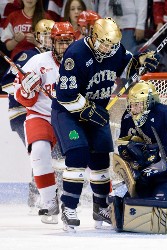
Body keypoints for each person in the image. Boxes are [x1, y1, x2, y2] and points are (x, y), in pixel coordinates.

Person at [51, 17, 160, 231]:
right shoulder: (76, 54)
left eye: (112, 45)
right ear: (93, 37)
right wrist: (88, 110)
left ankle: (100, 207)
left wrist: (142, 63)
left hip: (97, 112)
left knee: (101, 159)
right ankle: (69, 207)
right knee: (78, 154)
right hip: (69, 113)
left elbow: (130, 68)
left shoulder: (115, 50)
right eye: (104, 44)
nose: (108, 49)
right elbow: (65, 95)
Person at [13, 21, 76, 224]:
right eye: (60, 42)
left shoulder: (82, 61)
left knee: (88, 156)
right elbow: (20, 96)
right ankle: (49, 201)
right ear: (53, 43)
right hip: (41, 116)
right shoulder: (37, 61)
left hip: (70, 118)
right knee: (39, 152)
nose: (64, 47)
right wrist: (26, 90)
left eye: (68, 42)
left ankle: (100, 202)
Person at [1, 19, 55, 213]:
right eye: (45, 35)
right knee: (42, 150)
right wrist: (25, 85)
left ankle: (45, 194)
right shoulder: (28, 56)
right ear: (37, 38)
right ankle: (39, 197)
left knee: (49, 152)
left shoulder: (55, 59)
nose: (49, 39)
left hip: (44, 113)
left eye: (52, 35)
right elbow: (6, 84)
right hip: (22, 113)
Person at [115, 80, 167, 200]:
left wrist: (151, 159)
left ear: (150, 101)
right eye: (131, 105)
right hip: (151, 178)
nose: (133, 109)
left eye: (138, 104)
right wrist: (134, 166)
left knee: (157, 207)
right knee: (127, 207)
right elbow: (123, 147)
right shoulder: (128, 117)